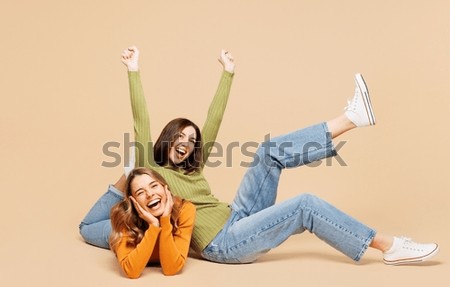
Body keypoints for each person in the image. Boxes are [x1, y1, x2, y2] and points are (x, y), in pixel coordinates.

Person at [80, 46, 439, 266]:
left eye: (191, 139)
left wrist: (228, 74)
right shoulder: (152, 173)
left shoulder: (192, 170)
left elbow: (213, 120)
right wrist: (134, 71)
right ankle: (389, 246)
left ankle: (349, 119)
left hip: (239, 215)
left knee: (269, 152)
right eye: (180, 136)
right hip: (224, 243)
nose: (187, 142)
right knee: (305, 205)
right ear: (166, 139)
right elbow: (140, 119)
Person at [109, 167, 195, 278]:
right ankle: (125, 175)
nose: (150, 194)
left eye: (154, 186)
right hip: (117, 229)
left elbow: (171, 269)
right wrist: (154, 226)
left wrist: (165, 219)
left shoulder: (184, 210)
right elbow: (131, 271)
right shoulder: (123, 218)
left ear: (165, 188)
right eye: (140, 192)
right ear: (133, 201)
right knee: (86, 227)